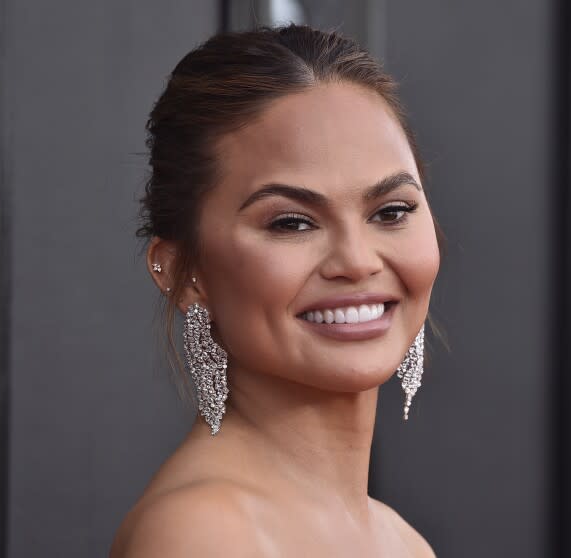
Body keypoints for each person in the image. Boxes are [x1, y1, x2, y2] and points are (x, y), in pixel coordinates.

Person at [109, 23, 442, 557]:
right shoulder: (203, 535)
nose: (357, 261)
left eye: (391, 211)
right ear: (180, 270)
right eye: (291, 222)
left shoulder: (401, 542)